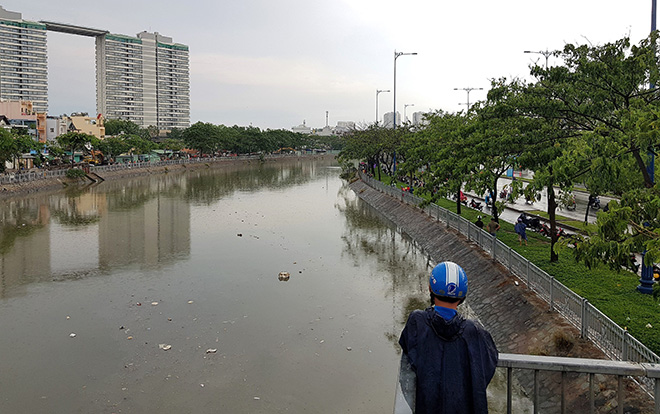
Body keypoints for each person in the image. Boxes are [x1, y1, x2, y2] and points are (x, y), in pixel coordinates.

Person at [399, 262, 499, 414]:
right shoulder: (476, 332)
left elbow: (408, 361)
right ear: (463, 295)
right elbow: (486, 366)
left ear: (430, 288)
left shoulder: (417, 322)